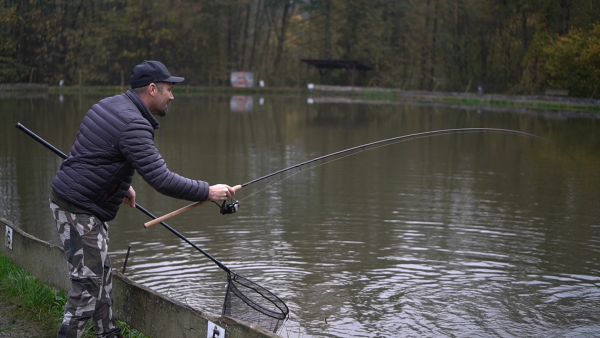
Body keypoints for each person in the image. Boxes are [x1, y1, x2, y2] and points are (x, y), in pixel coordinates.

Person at [49, 60, 235, 338]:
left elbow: (93, 155)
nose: (172, 96)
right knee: (87, 287)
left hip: (76, 201)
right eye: (169, 90)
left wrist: (121, 185)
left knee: (100, 274)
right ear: (152, 89)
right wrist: (207, 191)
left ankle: (108, 333)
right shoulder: (133, 123)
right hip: (78, 208)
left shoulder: (109, 105)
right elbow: (162, 179)